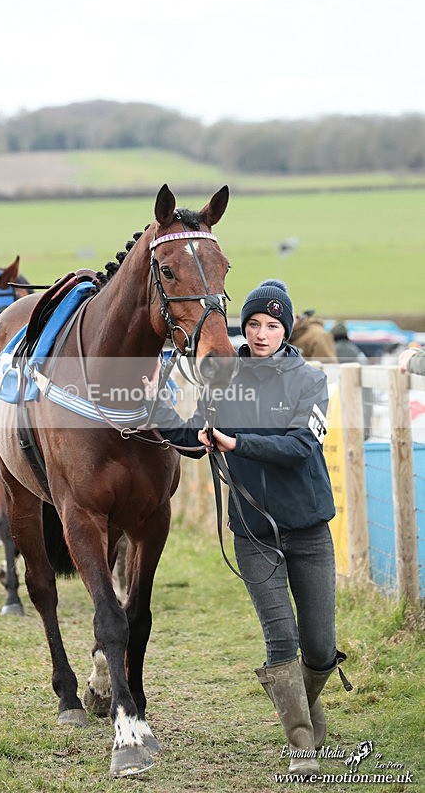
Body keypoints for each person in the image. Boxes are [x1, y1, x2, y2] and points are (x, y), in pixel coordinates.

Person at [143, 279, 349, 775]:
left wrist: (238, 444)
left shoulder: (310, 381)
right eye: (253, 324)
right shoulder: (223, 379)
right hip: (253, 532)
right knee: (282, 640)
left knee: (320, 648)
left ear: (287, 330)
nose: (260, 334)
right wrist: (158, 406)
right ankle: (301, 744)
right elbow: (194, 436)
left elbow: (302, 446)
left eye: (271, 326)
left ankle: (306, 701)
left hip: (309, 530)